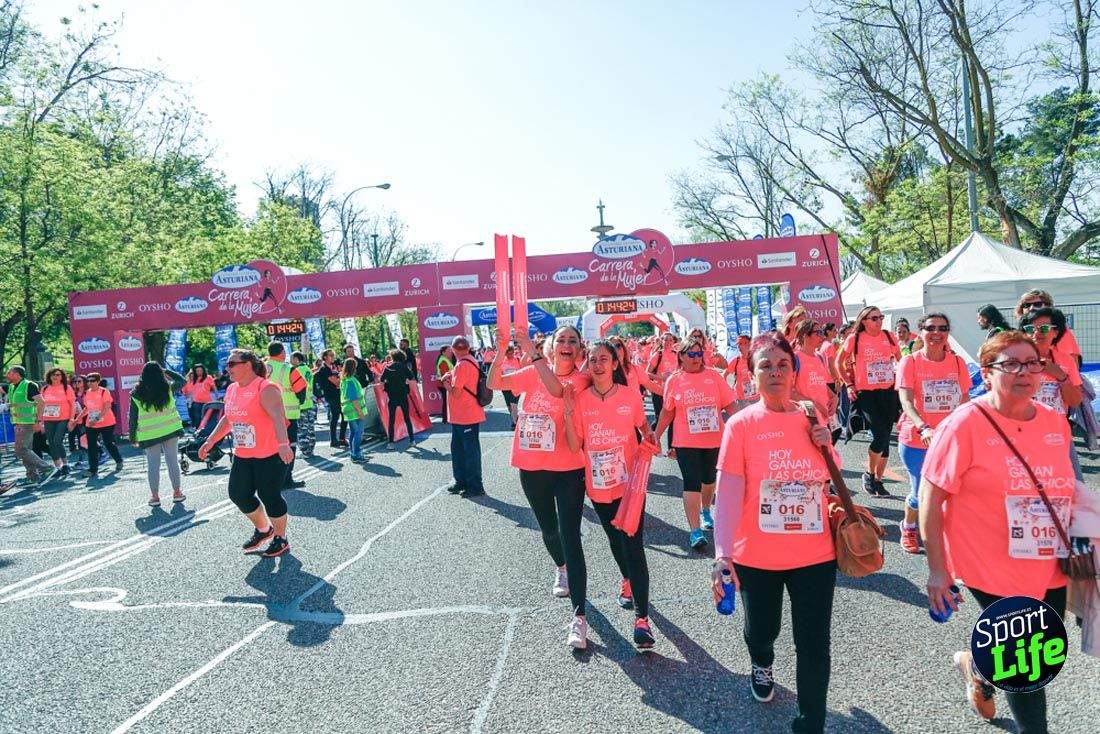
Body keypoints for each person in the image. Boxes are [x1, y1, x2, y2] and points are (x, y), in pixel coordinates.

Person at [920, 330, 1076, 731]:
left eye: (1032, 363)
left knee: (1039, 646)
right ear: (987, 374)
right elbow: (930, 499)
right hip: (989, 562)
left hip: (1049, 560)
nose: (1024, 372)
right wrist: (938, 570)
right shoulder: (964, 424)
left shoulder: (1056, 423)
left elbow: (1068, 490)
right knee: (1026, 661)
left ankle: (977, 666)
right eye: (1010, 364)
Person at [711, 333, 838, 733]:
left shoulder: (811, 414)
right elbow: (729, 491)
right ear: (751, 376)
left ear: (794, 371)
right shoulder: (741, 425)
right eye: (765, 365)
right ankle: (761, 662)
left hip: (815, 553)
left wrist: (827, 445)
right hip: (758, 555)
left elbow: (827, 477)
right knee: (762, 630)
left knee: (814, 645)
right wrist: (722, 554)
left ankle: (810, 722)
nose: (775, 372)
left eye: (783, 364)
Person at [489, 325, 595, 648]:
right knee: (549, 531)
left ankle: (579, 618)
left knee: (571, 536)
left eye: (572, 341)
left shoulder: (580, 379)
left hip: (568, 470)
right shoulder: (532, 372)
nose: (566, 344)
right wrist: (500, 351)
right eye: (560, 339)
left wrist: (532, 353)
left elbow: (556, 391)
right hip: (532, 467)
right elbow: (495, 383)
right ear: (551, 346)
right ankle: (560, 567)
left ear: (579, 351)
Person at [563, 339, 661, 650]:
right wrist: (566, 414)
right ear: (587, 365)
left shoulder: (630, 396)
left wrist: (650, 438)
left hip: (629, 486)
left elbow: (644, 427)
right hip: (598, 487)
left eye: (604, 359)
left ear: (615, 364)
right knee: (615, 541)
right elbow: (573, 445)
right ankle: (628, 580)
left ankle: (642, 621)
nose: (598, 364)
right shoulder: (581, 401)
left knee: (633, 545)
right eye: (592, 360)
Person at [199, 349, 294, 558]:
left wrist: (284, 444)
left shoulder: (265, 388)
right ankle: (264, 529)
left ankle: (281, 538)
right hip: (244, 454)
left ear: (248, 365)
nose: (227, 368)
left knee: (270, 496)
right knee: (238, 494)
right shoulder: (232, 389)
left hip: (270, 454)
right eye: (227, 364)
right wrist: (210, 441)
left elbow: (278, 417)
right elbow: (228, 419)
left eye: (232, 364)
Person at [895, 313, 970, 554]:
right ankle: (908, 526)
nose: (936, 332)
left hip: (949, 440)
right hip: (917, 438)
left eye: (942, 328)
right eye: (930, 328)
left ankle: (946, 536)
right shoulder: (911, 362)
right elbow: (906, 401)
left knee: (951, 492)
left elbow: (964, 400)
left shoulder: (958, 363)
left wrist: (957, 429)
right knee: (920, 494)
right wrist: (923, 427)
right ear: (922, 332)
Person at [653, 336, 737, 551]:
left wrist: (747, 428)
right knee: (691, 482)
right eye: (691, 354)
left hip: (714, 439)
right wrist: (656, 435)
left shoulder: (714, 377)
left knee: (708, 480)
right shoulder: (675, 379)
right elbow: (667, 411)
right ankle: (695, 531)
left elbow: (730, 406)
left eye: (699, 354)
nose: (696, 358)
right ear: (681, 356)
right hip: (685, 442)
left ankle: (706, 510)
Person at [835, 305, 901, 496]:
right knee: (880, 434)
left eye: (880, 317)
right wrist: (848, 384)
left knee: (886, 437)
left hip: (888, 391)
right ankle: (869, 474)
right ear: (864, 320)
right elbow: (838, 362)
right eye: (874, 318)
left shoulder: (889, 336)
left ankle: (878, 481)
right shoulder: (855, 338)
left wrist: (900, 378)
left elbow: (900, 359)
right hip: (866, 393)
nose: (879, 321)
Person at [1019, 307, 1085, 480]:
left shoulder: (1065, 360)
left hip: (1057, 434)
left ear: (1056, 332)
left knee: (1071, 485)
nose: (1036, 333)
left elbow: (1075, 401)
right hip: (1022, 433)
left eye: (1045, 328)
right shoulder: (1015, 360)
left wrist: (1061, 376)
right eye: (1030, 328)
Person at [128, 361, 186, 506]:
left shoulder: (136, 394)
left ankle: (155, 497)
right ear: (161, 374)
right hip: (170, 430)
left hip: (148, 434)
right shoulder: (168, 389)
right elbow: (182, 380)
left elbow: (133, 417)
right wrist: (166, 370)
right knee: (172, 461)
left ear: (143, 375)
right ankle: (177, 493)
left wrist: (132, 436)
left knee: (153, 465)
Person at [441, 335, 486, 498]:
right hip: (465, 415)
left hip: (465, 415)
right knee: (462, 450)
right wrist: (450, 376)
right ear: (467, 348)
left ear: (453, 350)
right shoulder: (470, 361)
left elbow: (457, 392)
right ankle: (462, 481)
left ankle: (474, 485)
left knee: (467, 452)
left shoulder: (461, 365)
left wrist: (446, 384)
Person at [4, 365, 58, 484]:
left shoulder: (29, 385)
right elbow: (18, 404)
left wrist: (39, 421)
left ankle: (47, 468)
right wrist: (6, 406)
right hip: (19, 423)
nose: (6, 375)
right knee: (26, 449)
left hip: (28, 423)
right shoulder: (12, 386)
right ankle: (32, 477)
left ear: (16, 374)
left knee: (20, 450)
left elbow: (41, 403)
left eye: (9, 373)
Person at [266, 342, 307, 489]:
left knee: (270, 447)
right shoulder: (288, 369)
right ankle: (286, 479)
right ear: (282, 352)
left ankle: (271, 479)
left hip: (265, 414)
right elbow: (301, 388)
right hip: (287, 415)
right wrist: (300, 401)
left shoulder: (261, 368)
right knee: (289, 446)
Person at [792, 321, 839, 444]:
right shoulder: (795, 358)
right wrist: (814, 405)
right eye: (817, 333)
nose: (822, 336)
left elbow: (821, 384)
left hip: (824, 418)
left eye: (822, 332)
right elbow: (789, 392)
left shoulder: (819, 357)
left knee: (827, 456)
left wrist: (834, 397)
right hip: (807, 419)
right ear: (805, 336)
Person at [74, 372, 123, 478]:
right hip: (91, 424)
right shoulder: (87, 393)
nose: (90, 383)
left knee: (108, 443)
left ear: (98, 381)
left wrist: (96, 419)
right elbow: (86, 408)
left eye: (92, 381)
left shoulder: (104, 392)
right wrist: (77, 419)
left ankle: (118, 460)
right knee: (91, 446)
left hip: (107, 422)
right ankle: (93, 470)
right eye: (88, 381)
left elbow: (107, 407)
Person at [1015, 289, 1082, 364]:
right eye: (1026, 305)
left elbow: (1073, 362)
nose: (1031, 308)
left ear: (1048, 306)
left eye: (1037, 304)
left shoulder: (1058, 330)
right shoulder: (1020, 332)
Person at [647, 332, 680, 452]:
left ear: (674, 342)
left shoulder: (677, 355)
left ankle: (671, 448)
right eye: (666, 340)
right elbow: (647, 373)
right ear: (661, 341)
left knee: (674, 418)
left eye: (670, 340)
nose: (668, 343)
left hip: (673, 392)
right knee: (659, 418)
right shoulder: (658, 355)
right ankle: (650, 440)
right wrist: (662, 378)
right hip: (659, 391)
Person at [40, 368, 76, 477]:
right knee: (51, 442)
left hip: (63, 418)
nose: (55, 376)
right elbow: (41, 406)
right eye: (53, 374)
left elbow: (73, 404)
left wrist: (71, 419)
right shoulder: (45, 388)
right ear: (49, 376)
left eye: (58, 375)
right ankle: (57, 467)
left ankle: (65, 464)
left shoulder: (67, 387)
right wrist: (40, 421)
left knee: (57, 440)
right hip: (48, 419)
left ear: (62, 377)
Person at [380, 348, 416, 449]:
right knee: (407, 418)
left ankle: (391, 443)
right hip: (403, 394)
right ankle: (412, 440)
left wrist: (387, 384)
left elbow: (381, 379)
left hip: (392, 395)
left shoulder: (388, 367)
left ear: (392, 357)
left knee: (391, 419)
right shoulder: (404, 367)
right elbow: (411, 377)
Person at [315, 349, 347, 448]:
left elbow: (338, 381)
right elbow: (337, 383)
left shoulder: (331, 368)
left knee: (335, 417)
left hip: (335, 394)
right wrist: (340, 379)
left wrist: (339, 379)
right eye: (330, 355)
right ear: (325, 357)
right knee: (344, 414)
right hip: (331, 395)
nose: (333, 357)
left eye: (333, 355)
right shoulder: (324, 369)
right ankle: (340, 438)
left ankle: (335, 440)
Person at [290, 351, 317, 458]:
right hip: (310, 402)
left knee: (302, 428)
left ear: (296, 359)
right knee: (310, 427)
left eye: (292, 359)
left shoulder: (297, 370)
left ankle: (305, 451)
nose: (290, 361)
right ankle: (310, 449)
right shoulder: (308, 369)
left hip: (301, 403)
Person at [340, 358, 367, 461]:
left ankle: (353, 453)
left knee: (353, 432)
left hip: (348, 410)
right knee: (358, 433)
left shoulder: (345, 379)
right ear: (353, 368)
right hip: (355, 410)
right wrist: (360, 411)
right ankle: (357, 454)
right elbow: (353, 398)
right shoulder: (351, 380)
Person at [724, 334, 756, 408]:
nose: (740, 346)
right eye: (738, 344)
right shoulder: (736, 360)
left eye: (743, 343)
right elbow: (724, 375)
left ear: (750, 344)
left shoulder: (756, 359)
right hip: (741, 399)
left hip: (755, 397)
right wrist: (728, 390)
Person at [181, 365, 215, 429]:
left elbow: (213, 387)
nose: (192, 375)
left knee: (205, 416)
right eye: (191, 374)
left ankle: (205, 429)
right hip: (193, 402)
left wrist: (217, 396)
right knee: (195, 416)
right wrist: (188, 396)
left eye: (193, 374)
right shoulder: (188, 382)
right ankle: (196, 428)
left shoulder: (206, 378)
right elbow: (184, 392)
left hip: (206, 401)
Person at [499, 345, 523, 428]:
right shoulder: (501, 361)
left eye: (512, 353)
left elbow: (522, 371)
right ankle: (515, 417)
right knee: (509, 406)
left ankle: (514, 423)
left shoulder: (518, 360)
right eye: (508, 354)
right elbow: (499, 373)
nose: (510, 355)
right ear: (505, 354)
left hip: (516, 386)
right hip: (505, 387)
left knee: (513, 404)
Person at [436, 346, 455, 424]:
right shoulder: (443, 360)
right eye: (448, 351)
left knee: (446, 401)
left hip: (443, 383)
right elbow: (445, 374)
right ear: (443, 352)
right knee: (446, 401)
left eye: (451, 350)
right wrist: (448, 386)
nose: (451, 352)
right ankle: (446, 418)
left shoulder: (445, 359)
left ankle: (446, 418)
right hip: (443, 384)